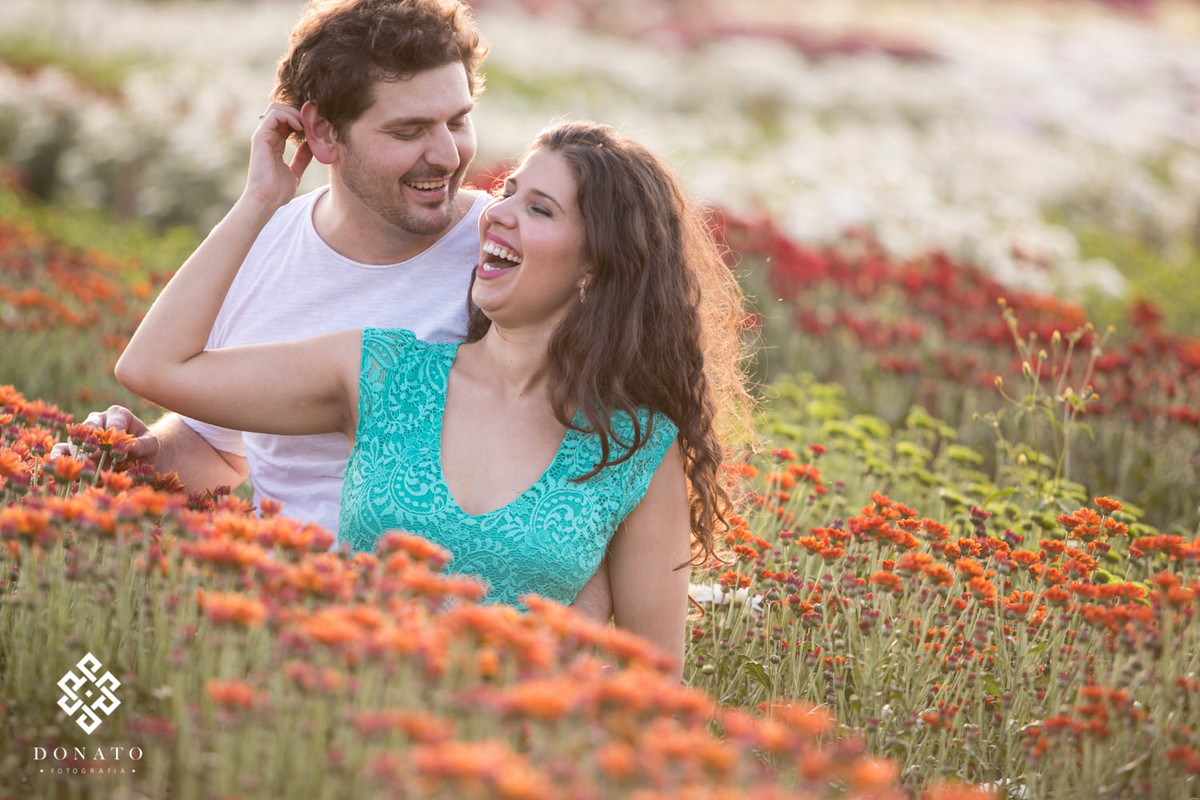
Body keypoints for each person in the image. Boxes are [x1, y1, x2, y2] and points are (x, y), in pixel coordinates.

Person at [114, 109, 752, 673]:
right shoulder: (378, 372)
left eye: (540, 208)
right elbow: (153, 368)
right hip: (328, 730)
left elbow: (652, 692)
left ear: (596, 268)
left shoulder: (633, 449)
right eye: (509, 191)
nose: (496, 211)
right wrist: (261, 200)